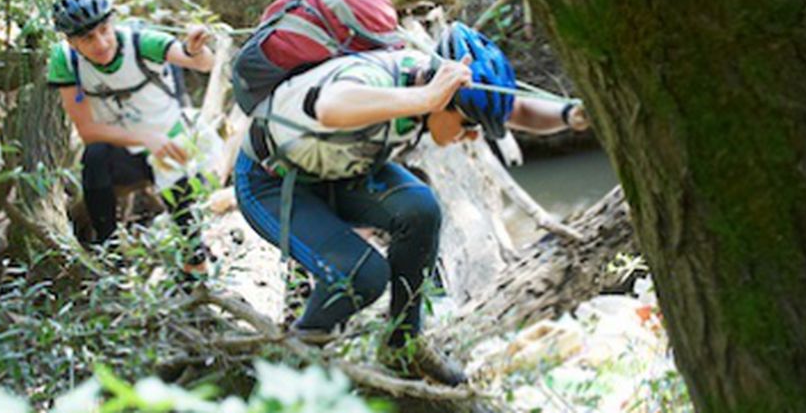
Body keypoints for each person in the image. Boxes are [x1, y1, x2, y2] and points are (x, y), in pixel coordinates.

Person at [233, 22, 588, 386]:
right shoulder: (378, 78)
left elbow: (517, 111)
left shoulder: (440, 86)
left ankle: (403, 345)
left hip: (338, 173)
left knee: (421, 209)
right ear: (442, 99)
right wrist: (427, 99)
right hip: (272, 182)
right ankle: (292, 363)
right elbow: (329, 106)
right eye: (468, 124)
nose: (470, 136)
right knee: (361, 275)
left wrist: (569, 115)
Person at [45, 0, 217, 273]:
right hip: (123, 153)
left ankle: (194, 259)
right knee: (94, 156)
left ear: (113, 22)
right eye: (88, 38)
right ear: (71, 42)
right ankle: (110, 255)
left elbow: (202, 64)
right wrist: (144, 138)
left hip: (171, 144)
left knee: (172, 164)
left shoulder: (141, 41)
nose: (101, 43)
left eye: (104, 30)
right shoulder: (65, 60)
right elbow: (87, 130)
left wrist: (194, 49)